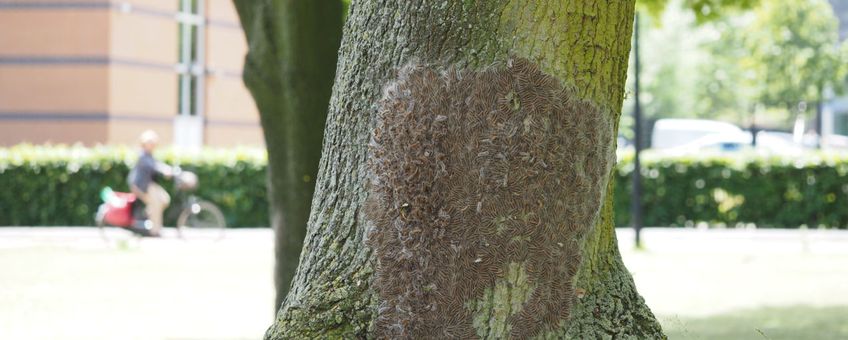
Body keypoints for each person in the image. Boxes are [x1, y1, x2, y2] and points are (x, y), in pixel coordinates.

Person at [128, 130, 173, 236]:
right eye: (150, 143)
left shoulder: (149, 155)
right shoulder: (142, 155)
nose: (152, 145)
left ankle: (148, 214)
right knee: (156, 204)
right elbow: (153, 166)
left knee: (165, 199)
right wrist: (164, 170)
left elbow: (157, 163)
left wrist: (169, 169)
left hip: (149, 185)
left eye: (153, 143)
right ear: (144, 144)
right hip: (140, 186)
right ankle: (155, 231)